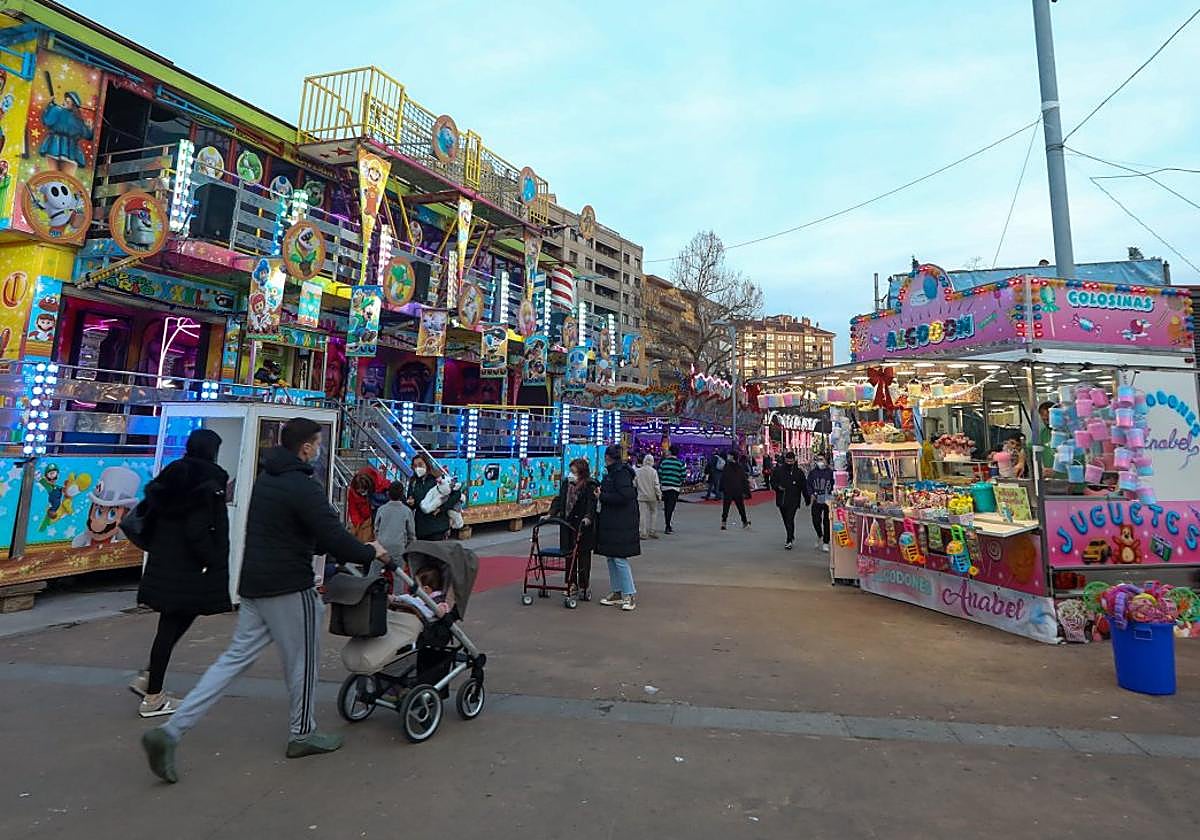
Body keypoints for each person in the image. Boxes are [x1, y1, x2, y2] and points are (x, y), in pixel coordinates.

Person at [141, 417, 383, 784]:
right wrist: (370, 551)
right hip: (289, 587)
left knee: (231, 662)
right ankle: (302, 733)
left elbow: (295, 532)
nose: (318, 450)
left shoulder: (267, 479)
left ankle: (173, 730)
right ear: (305, 447)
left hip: (254, 586)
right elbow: (333, 537)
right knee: (303, 662)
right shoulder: (304, 486)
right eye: (316, 444)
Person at [129, 429, 232, 718]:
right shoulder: (207, 481)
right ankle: (153, 696)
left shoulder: (172, 474)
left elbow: (148, 516)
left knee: (173, 621)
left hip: (164, 563)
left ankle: (150, 679)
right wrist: (212, 557)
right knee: (172, 624)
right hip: (188, 568)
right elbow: (197, 529)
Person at [595, 445, 640, 611]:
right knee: (611, 557)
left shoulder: (620, 474)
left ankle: (629, 594)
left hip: (621, 522)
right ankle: (617, 592)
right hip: (613, 522)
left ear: (608, 457)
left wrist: (603, 496)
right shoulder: (617, 472)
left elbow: (625, 496)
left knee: (620, 558)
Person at [546, 458, 598, 600]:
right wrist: (550, 514)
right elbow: (559, 500)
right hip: (567, 524)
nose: (571, 474)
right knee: (569, 555)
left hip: (582, 526)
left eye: (574, 471)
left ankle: (583, 585)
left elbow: (591, 504)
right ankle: (571, 583)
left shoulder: (590, 485)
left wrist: (588, 517)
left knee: (583, 556)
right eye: (571, 471)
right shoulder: (566, 484)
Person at [406, 455, 462, 541]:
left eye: (420, 464)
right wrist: (411, 503)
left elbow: (456, 494)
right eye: (415, 466)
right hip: (421, 528)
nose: (418, 468)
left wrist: (441, 508)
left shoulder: (438, 478)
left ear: (427, 464)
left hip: (438, 526)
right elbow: (412, 502)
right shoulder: (413, 482)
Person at [770, 451, 809, 550]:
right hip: (782, 500)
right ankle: (790, 534)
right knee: (785, 519)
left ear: (794, 460)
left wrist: (807, 497)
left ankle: (789, 540)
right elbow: (773, 482)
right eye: (788, 461)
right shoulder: (778, 471)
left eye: (791, 461)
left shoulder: (799, 472)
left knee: (790, 519)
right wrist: (778, 487)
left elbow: (803, 486)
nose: (789, 463)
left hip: (794, 500)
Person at [374, 480, 416, 561]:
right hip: (399, 547)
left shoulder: (381, 509)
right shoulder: (407, 511)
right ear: (402, 495)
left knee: (375, 570)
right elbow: (411, 533)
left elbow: (376, 529)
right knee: (398, 572)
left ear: (388, 494)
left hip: (382, 546)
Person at [807, 455, 835, 552]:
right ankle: (820, 534)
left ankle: (826, 542)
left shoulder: (831, 473)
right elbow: (808, 484)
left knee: (827, 521)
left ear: (826, 461)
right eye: (818, 460)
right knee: (815, 520)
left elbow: (834, 484)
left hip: (828, 498)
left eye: (821, 460)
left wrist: (833, 494)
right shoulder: (812, 473)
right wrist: (811, 494)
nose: (820, 462)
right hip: (816, 498)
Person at [658, 445, 686, 534]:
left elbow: (660, 474)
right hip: (675, 487)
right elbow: (683, 476)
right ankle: (668, 525)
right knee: (671, 506)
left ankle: (667, 524)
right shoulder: (680, 463)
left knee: (666, 506)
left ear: (670, 452)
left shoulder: (664, 462)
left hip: (665, 487)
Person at [720, 450, 751, 530]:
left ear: (732, 457)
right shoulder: (738, 467)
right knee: (739, 507)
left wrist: (722, 488)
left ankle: (724, 523)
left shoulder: (728, 467)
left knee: (728, 507)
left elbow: (723, 478)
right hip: (736, 490)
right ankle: (744, 522)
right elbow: (743, 480)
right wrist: (746, 491)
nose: (728, 457)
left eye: (729, 455)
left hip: (730, 490)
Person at [635, 454, 662, 539]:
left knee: (642, 514)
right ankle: (652, 530)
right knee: (653, 512)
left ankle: (643, 532)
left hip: (641, 496)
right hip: (652, 496)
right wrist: (659, 495)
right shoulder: (654, 472)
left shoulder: (638, 471)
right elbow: (656, 485)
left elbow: (634, 484)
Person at [1037, 402, 1056, 475]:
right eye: (1044, 420)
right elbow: (1029, 447)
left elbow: (1077, 460)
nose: (1047, 423)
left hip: (1068, 480)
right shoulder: (1043, 433)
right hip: (1050, 480)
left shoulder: (1068, 433)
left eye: (1048, 419)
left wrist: (1057, 472)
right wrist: (1021, 462)